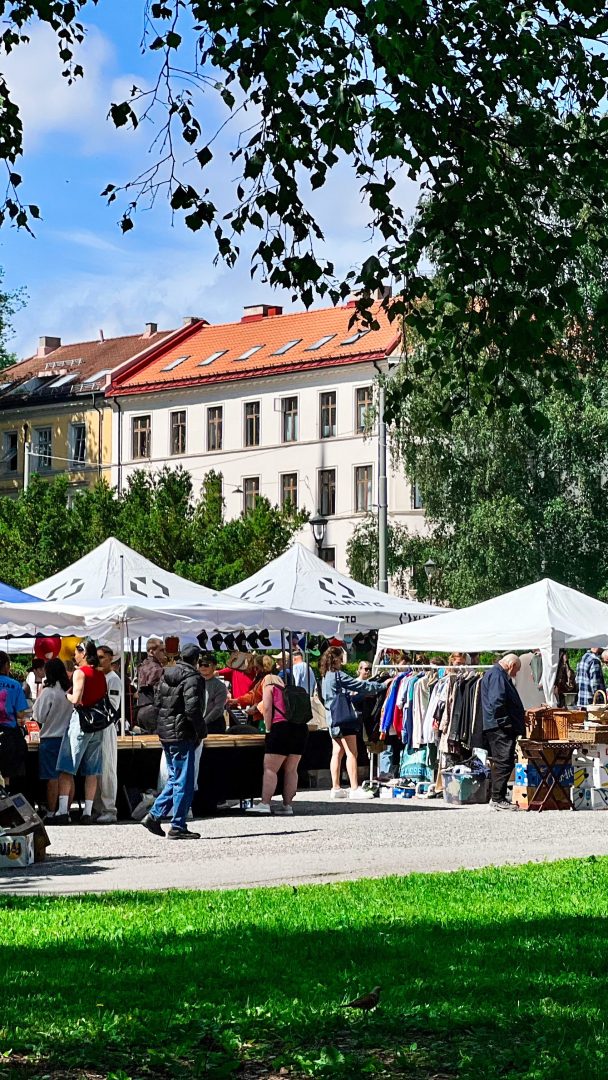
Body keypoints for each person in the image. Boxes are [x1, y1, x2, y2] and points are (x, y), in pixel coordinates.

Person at [141, 644, 206, 839]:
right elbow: (192, 708)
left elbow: (158, 704)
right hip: (182, 733)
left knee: (176, 778)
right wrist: (201, 731)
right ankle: (177, 825)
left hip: (166, 732)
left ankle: (154, 815)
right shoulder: (193, 678)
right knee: (184, 781)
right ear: (195, 660)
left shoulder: (166, 674)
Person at [320, 646, 385, 800]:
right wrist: (381, 686)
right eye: (341, 657)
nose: (343, 660)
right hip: (344, 719)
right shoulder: (337, 675)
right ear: (335, 658)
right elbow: (360, 685)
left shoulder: (325, 677)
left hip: (332, 718)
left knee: (337, 753)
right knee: (352, 753)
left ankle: (335, 787)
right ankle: (354, 787)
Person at [54, 640, 108, 825]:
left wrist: (66, 695)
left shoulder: (79, 673)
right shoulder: (101, 675)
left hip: (81, 722)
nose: (74, 656)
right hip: (97, 724)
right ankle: (87, 811)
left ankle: (62, 812)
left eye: (77, 652)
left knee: (66, 768)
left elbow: (76, 699)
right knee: (92, 770)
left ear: (83, 653)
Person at [246, 673, 308, 815]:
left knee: (270, 769)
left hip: (281, 728)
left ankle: (265, 803)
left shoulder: (270, 687)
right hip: (300, 729)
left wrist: (268, 729)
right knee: (291, 770)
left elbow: (267, 709)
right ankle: (287, 806)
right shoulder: (291, 691)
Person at [480, 653, 525, 811]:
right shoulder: (498, 675)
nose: (516, 674)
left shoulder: (495, 674)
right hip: (499, 728)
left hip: (497, 726)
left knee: (503, 761)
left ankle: (498, 796)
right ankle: (497, 798)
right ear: (511, 665)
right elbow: (497, 702)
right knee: (503, 761)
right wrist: (506, 724)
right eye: (516, 670)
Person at [33, 658, 72, 816]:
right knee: (68, 776)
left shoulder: (48, 692)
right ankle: (66, 811)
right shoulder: (70, 690)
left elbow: (39, 717)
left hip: (50, 738)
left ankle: (51, 811)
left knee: (52, 778)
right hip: (68, 738)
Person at [92, 644, 122, 824]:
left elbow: (113, 705)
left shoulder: (113, 679)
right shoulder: (97, 677)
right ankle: (97, 807)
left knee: (107, 769)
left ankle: (109, 808)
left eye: (102, 657)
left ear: (111, 658)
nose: (99, 661)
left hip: (106, 726)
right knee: (95, 770)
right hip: (94, 727)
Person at [0, 651, 29, 788]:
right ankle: (5, 799)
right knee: (7, 772)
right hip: (8, 735)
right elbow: (20, 714)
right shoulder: (15, 685)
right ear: (6, 665)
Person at [136, 637, 167, 732]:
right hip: (152, 710)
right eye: (161, 650)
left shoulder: (143, 665)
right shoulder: (157, 669)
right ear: (151, 652)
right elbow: (160, 692)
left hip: (141, 710)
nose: (164, 653)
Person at [197, 653, 229, 733]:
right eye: (200, 664)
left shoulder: (220, 686)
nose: (203, 667)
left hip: (214, 725)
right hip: (196, 724)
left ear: (214, 667)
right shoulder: (193, 682)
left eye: (206, 665)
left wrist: (203, 722)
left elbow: (218, 708)